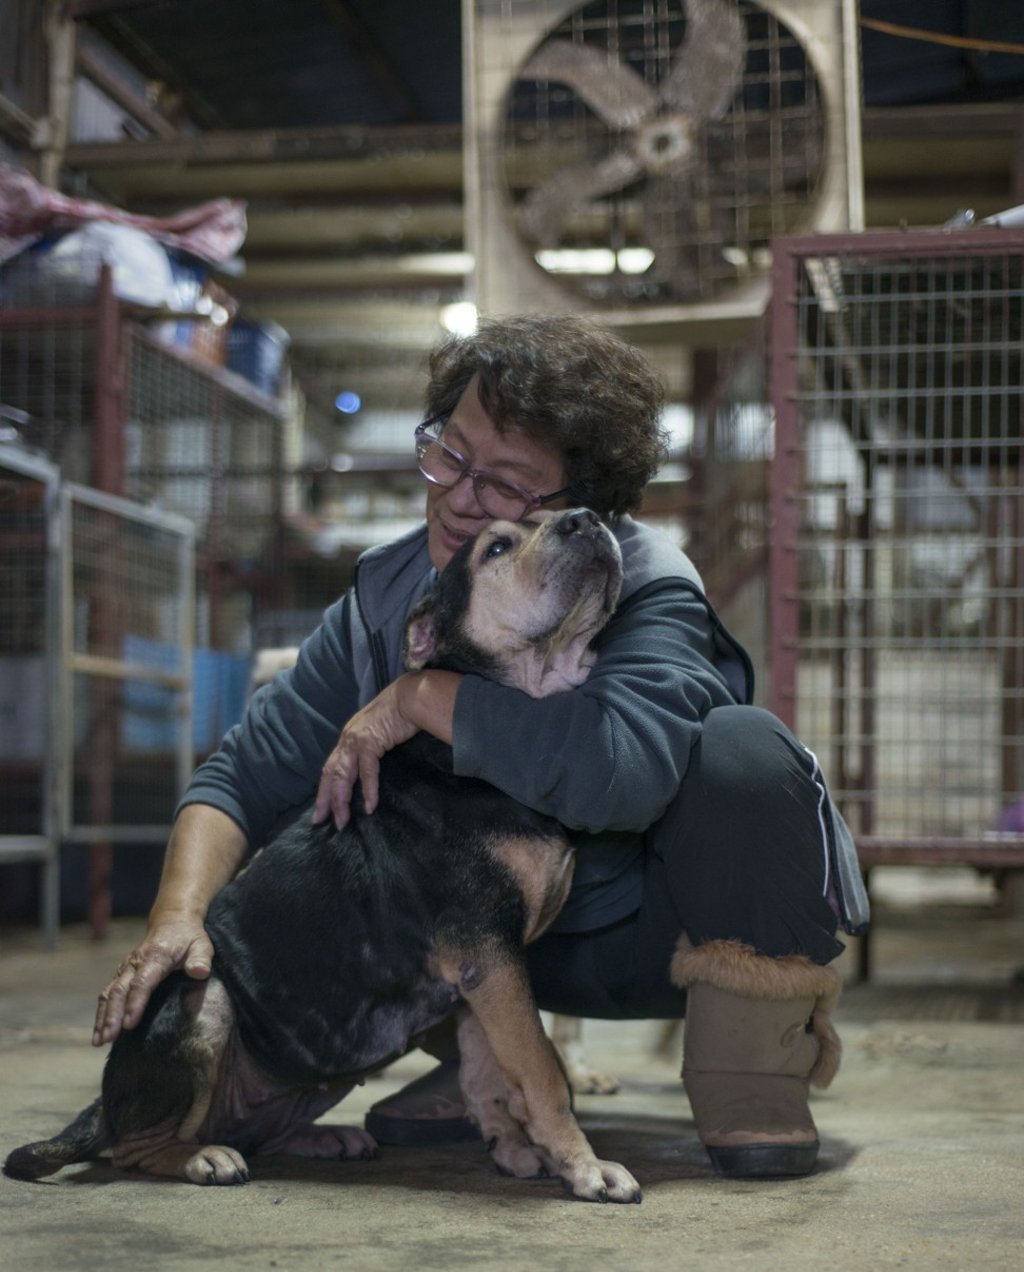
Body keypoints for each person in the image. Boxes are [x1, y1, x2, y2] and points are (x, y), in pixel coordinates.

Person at [93, 313, 868, 1180]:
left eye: (505, 485)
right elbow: (240, 774)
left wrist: (424, 694)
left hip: (644, 936)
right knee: (388, 868)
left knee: (744, 752)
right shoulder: (388, 596)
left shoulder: (649, 583)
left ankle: (749, 1072)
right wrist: (175, 920)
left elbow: (626, 776)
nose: (459, 496)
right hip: (485, 956)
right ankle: (481, 1074)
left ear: (581, 509)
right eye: (449, 454)